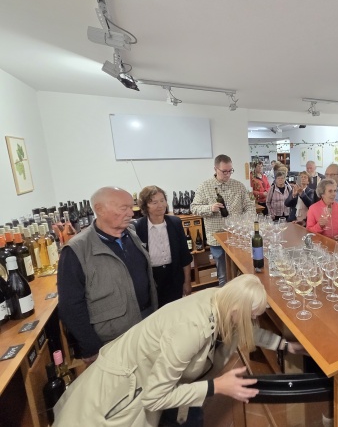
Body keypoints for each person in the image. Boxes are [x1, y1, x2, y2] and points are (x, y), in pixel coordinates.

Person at [53, 274, 305, 427]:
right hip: (118, 400)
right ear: (237, 310)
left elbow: (246, 331)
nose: (253, 321)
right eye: (252, 315)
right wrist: (216, 386)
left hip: (155, 383)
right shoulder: (191, 329)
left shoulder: (222, 298)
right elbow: (153, 398)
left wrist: (284, 345)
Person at [57, 187, 158, 366]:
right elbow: (70, 305)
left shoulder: (131, 234)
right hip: (111, 340)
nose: (131, 213)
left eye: (131, 207)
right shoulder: (76, 250)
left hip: (146, 325)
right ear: (100, 209)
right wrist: (90, 347)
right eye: (124, 208)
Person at [191, 155, 254, 287]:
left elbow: (249, 206)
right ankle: (225, 297)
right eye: (224, 171)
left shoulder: (239, 186)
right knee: (224, 275)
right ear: (215, 169)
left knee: (243, 272)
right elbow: (194, 208)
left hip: (238, 236)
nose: (228, 174)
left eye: (230, 171)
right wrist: (210, 208)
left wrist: (246, 219)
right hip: (217, 238)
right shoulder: (205, 186)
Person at [134, 185, 193, 308]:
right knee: (156, 312)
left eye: (162, 200)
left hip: (173, 275)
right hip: (151, 278)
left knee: (175, 310)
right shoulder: (138, 227)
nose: (160, 205)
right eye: (154, 202)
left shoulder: (175, 223)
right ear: (145, 206)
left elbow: (184, 255)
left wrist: (187, 281)